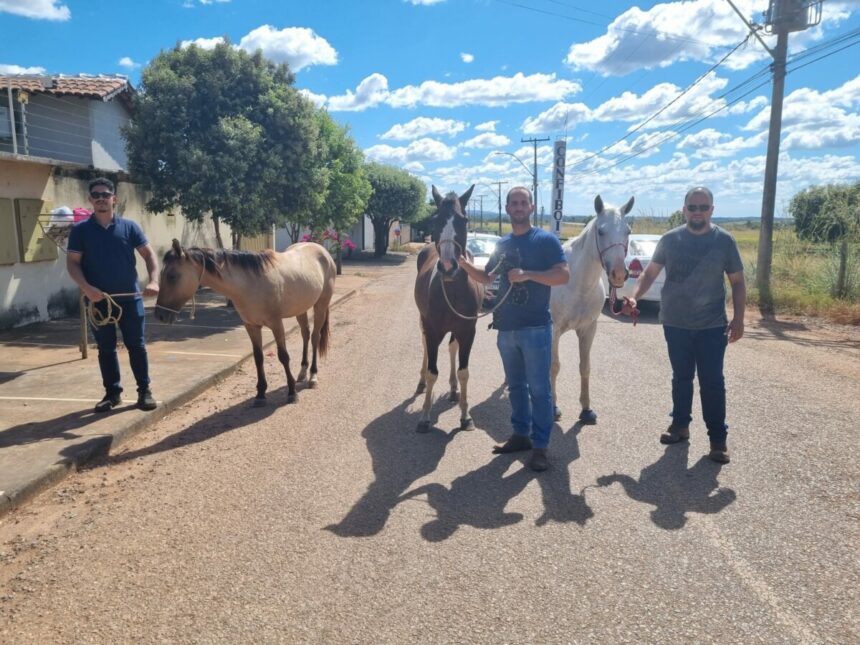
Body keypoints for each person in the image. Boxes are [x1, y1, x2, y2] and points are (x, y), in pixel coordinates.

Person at [621, 187, 745, 463]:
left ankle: (717, 440)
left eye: (703, 207)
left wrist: (739, 318)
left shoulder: (724, 241)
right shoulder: (670, 239)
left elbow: (737, 282)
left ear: (712, 209)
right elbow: (650, 274)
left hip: (712, 326)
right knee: (681, 378)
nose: (697, 212)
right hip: (675, 323)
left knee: (712, 382)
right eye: (693, 207)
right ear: (684, 209)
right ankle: (680, 426)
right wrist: (633, 295)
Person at [458, 187, 569, 471]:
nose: (519, 207)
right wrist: (463, 265)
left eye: (523, 203)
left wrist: (529, 274)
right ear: (507, 208)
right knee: (517, 386)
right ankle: (521, 435)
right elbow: (487, 276)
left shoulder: (545, 241)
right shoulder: (503, 244)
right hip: (506, 329)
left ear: (531, 207)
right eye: (514, 203)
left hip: (535, 328)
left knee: (540, 390)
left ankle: (541, 446)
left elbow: (563, 275)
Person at [66, 178, 160, 412]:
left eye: (105, 194)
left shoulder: (130, 227)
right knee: (106, 349)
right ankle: (112, 394)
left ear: (114, 199)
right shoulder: (80, 231)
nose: (101, 198)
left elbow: (149, 256)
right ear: (90, 200)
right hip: (99, 303)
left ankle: (144, 392)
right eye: (96, 195)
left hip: (130, 299)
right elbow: (73, 264)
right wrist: (87, 289)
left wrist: (155, 281)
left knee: (136, 346)